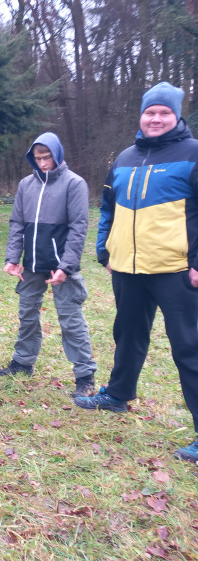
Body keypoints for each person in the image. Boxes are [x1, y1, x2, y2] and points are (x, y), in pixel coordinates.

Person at [75, 82, 198, 463]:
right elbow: (107, 207)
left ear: (177, 115)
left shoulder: (193, 153)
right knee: (127, 335)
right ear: (141, 116)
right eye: (150, 112)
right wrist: (104, 250)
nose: (156, 119)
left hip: (176, 269)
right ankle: (117, 395)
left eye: (164, 113)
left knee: (189, 347)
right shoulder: (125, 158)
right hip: (127, 266)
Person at [0, 132, 97, 396]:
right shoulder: (25, 185)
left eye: (47, 157)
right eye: (38, 158)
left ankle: (85, 376)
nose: (42, 163)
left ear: (58, 154)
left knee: (70, 319)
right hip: (31, 265)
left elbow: (78, 228)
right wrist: (12, 258)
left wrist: (66, 266)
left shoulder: (74, 184)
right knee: (27, 314)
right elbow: (17, 223)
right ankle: (22, 362)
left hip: (61, 267)